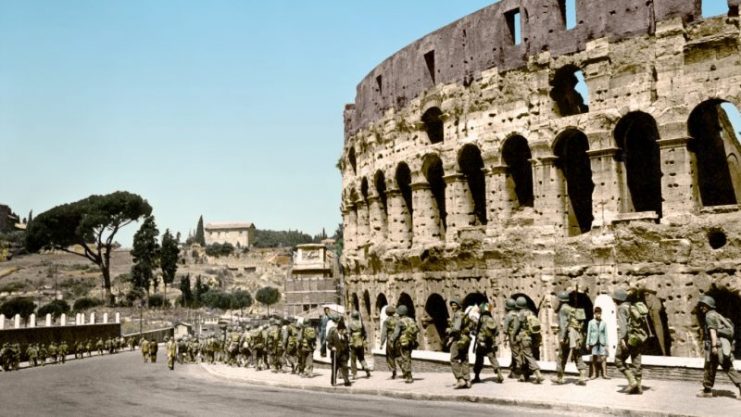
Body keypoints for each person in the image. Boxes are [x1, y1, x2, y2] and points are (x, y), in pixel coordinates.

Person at [696, 295, 741, 399]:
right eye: (701, 305)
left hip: (714, 346)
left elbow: (712, 332)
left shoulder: (709, 316)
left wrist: (714, 346)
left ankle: (707, 390)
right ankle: (707, 389)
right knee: (721, 367)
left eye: (704, 305)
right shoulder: (716, 314)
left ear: (708, 306)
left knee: (711, 368)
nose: (701, 307)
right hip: (722, 346)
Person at [552, 291, 588, 385]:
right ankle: (582, 376)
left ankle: (559, 377)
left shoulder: (563, 309)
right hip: (576, 335)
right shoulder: (571, 309)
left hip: (568, 335)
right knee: (577, 355)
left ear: (560, 300)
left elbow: (564, 325)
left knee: (562, 355)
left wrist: (562, 338)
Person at [613, 288, 644, 394]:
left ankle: (632, 381)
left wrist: (622, 339)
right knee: (636, 361)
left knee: (618, 360)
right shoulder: (633, 306)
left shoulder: (622, 308)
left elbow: (623, 326)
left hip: (628, 338)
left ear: (617, 299)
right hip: (638, 337)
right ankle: (638, 387)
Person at [513, 296, 544, 383]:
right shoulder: (531, 313)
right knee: (524, 357)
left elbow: (516, 328)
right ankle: (524, 375)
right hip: (531, 338)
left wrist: (512, 337)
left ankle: (538, 374)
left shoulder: (520, 314)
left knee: (528, 356)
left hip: (523, 338)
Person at [473, 302, 504, 383]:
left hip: (482, 343)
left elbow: (479, 331)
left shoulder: (482, 319)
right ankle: (499, 374)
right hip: (490, 343)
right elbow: (496, 332)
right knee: (493, 359)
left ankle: (476, 376)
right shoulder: (491, 319)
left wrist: (478, 337)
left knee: (479, 359)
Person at [446, 298, 472, 389]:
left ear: (459, 306)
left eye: (455, 305)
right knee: (464, 359)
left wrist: (449, 330)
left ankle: (460, 379)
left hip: (458, 339)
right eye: (452, 305)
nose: (453, 306)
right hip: (465, 339)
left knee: (454, 359)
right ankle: (467, 380)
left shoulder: (457, 315)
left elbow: (456, 328)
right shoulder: (464, 314)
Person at [391, 305, 418, 384]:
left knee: (405, 358)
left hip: (404, 342)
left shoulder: (400, 322)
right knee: (408, 357)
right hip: (411, 341)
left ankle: (409, 376)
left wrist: (392, 339)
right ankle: (407, 374)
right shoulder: (411, 320)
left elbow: (396, 334)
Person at [327, 316, 352, 386]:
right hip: (335, 356)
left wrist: (347, 354)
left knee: (345, 368)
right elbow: (329, 345)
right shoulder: (333, 336)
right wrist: (332, 348)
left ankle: (346, 381)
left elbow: (347, 346)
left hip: (343, 356)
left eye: (343, 330)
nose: (342, 332)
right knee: (334, 369)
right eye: (340, 330)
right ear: (338, 330)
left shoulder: (345, 337)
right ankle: (333, 381)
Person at [587, 306, 609, 379]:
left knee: (603, 358)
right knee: (594, 358)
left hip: (602, 342)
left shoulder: (604, 323)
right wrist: (587, 343)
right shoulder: (591, 322)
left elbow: (606, 334)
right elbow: (589, 333)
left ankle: (605, 374)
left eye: (599, 313)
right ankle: (594, 374)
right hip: (594, 342)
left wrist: (607, 344)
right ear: (594, 314)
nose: (598, 315)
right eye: (597, 313)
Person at [348, 310, 371, 379]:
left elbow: (349, 334)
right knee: (361, 358)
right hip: (360, 343)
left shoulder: (350, 324)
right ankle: (366, 367)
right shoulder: (361, 324)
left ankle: (354, 374)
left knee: (353, 359)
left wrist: (348, 343)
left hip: (353, 343)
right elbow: (364, 334)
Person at [379, 305, 399, 379]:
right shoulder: (398, 319)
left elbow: (384, 333)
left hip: (390, 341)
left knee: (390, 357)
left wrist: (381, 343)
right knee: (400, 356)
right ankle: (405, 371)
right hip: (398, 340)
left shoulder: (386, 321)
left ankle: (394, 373)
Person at [503, 298, 520, 379]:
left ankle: (521, 371)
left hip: (512, 336)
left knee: (515, 354)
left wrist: (504, 339)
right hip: (519, 336)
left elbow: (505, 329)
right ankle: (513, 371)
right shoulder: (518, 314)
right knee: (516, 353)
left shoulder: (509, 315)